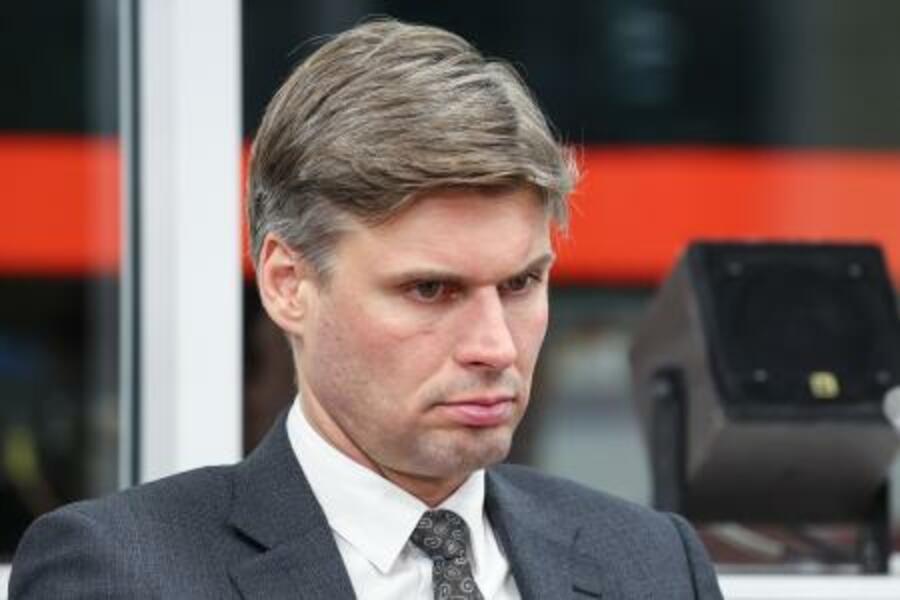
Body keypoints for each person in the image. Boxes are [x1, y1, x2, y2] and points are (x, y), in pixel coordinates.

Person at [10, 19, 723, 599]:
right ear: (288, 284)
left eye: (520, 284)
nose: (496, 346)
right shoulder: (121, 572)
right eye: (430, 290)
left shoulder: (652, 565)